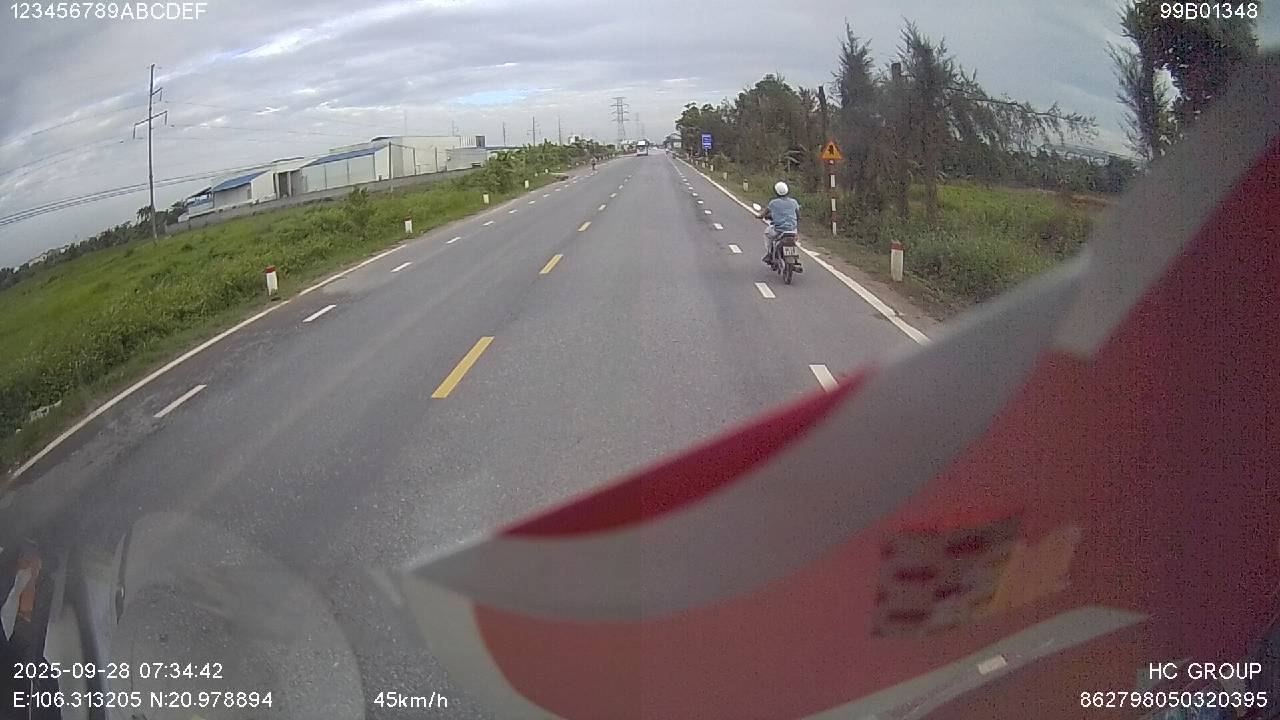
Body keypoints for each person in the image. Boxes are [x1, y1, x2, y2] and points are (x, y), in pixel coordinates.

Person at [762, 181, 800, 264]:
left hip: (779, 230)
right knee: (795, 239)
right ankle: (795, 257)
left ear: (776, 192)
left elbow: (764, 213)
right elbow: (798, 214)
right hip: (792, 230)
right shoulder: (794, 202)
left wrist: (760, 216)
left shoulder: (773, 203)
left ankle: (769, 253)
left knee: (767, 233)